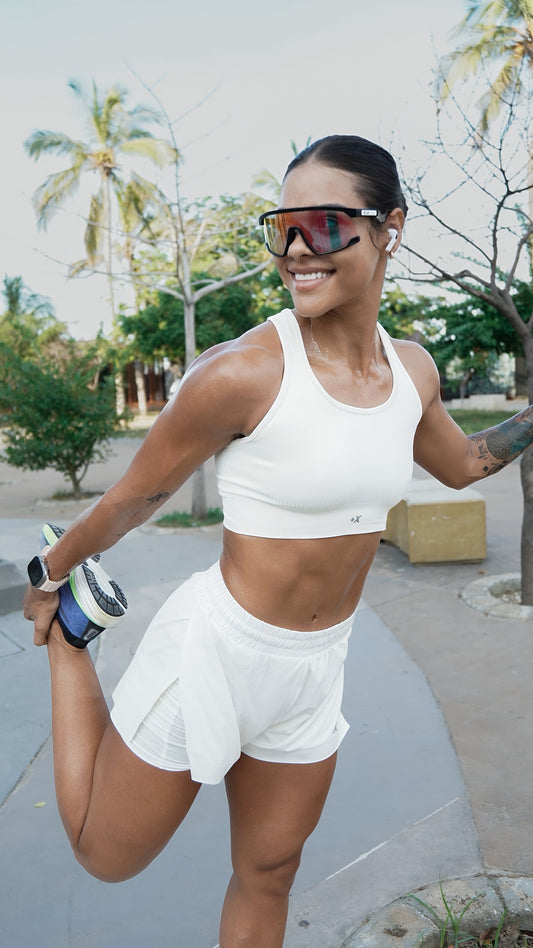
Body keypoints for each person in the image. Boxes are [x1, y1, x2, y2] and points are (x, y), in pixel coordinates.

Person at [23, 134, 533, 948]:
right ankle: (71, 647)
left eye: (323, 224)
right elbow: (133, 497)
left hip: (314, 668)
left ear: (389, 228)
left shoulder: (412, 371)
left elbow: (463, 463)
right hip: (215, 651)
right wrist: (49, 574)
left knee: (269, 871)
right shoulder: (241, 373)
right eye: (282, 227)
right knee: (104, 856)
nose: (297, 247)